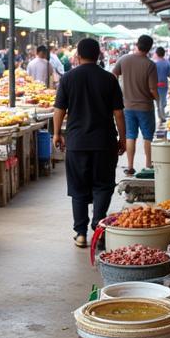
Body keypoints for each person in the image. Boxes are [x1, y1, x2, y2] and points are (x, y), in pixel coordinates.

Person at [53, 38, 126, 248]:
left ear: (77, 55)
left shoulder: (68, 78)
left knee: (78, 187)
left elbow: (60, 109)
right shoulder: (109, 79)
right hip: (104, 142)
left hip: (77, 142)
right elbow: (119, 113)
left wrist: (57, 133)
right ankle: (98, 226)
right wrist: (122, 137)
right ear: (99, 55)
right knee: (103, 186)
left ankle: (81, 233)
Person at [113, 34, 159, 174]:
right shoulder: (150, 64)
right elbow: (152, 89)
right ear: (150, 48)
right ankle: (148, 165)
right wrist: (158, 99)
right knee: (147, 137)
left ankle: (130, 166)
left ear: (137, 44)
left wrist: (119, 92)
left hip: (127, 106)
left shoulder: (124, 59)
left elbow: (113, 75)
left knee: (130, 136)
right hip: (145, 107)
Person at [153, 46, 170, 124]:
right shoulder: (167, 63)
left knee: (158, 102)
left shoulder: (154, 64)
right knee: (163, 101)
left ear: (157, 54)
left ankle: (161, 116)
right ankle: (162, 116)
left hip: (155, 86)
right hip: (164, 85)